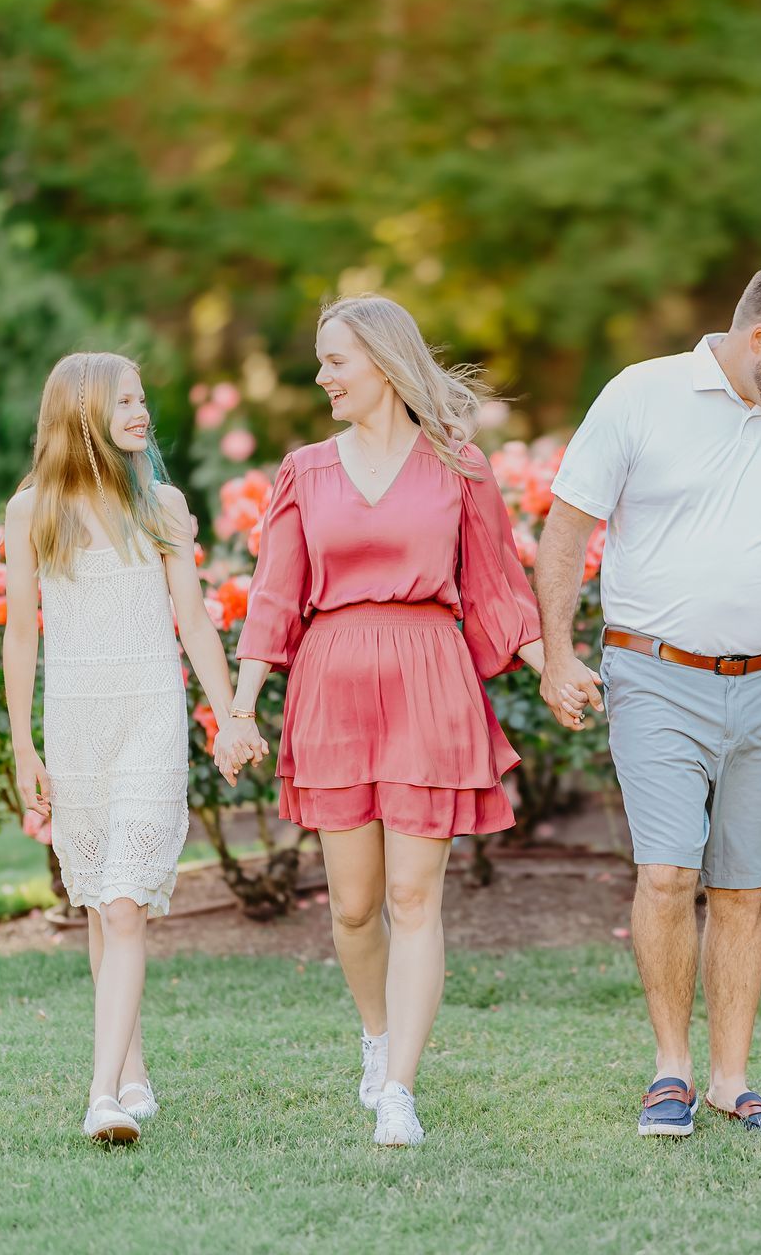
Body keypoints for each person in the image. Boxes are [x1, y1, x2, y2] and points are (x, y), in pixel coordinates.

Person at [534, 259, 761, 1136]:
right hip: (654, 674)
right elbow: (568, 523)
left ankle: (730, 1078)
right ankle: (671, 1072)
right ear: (759, 336)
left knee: (746, 889)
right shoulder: (640, 395)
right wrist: (559, 655)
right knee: (668, 872)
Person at [229, 295, 544, 1147]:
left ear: (383, 363)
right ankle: (376, 1039)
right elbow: (274, 597)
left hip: (429, 680)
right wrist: (239, 704)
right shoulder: (305, 470)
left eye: (336, 360)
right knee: (356, 906)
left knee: (414, 895)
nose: (323, 376)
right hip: (332, 684)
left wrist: (557, 670)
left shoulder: (460, 467)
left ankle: (399, 1086)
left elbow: (496, 590)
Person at [1, 351, 261, 1144]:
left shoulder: (163, 505)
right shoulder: (33, 511)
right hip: (78, 724)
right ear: (82, 413)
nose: (142, 414)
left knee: (122, 903)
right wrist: (23, 747)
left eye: (142, 399)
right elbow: (20, 634)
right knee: (99, 907)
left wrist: (229, 715)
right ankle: (135, 1069)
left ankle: (103, 1095)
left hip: (151, 714)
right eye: (125, 403)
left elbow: (193, 619)